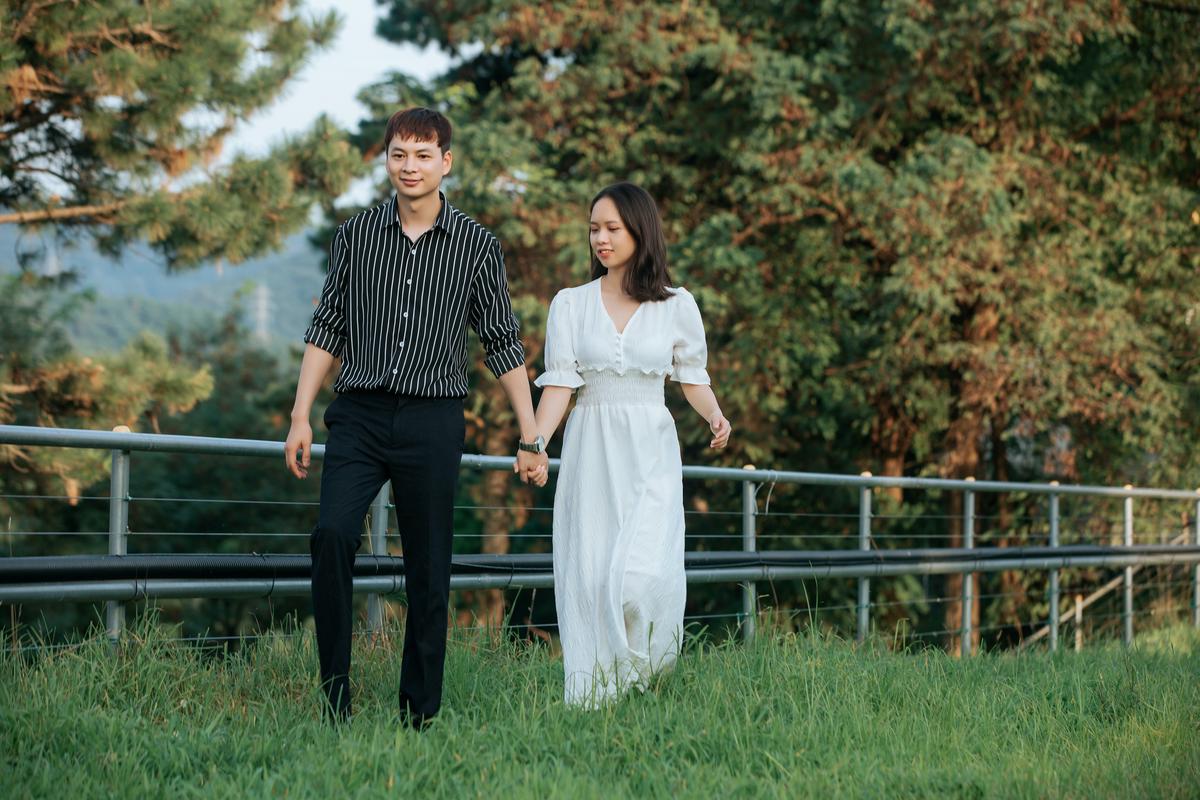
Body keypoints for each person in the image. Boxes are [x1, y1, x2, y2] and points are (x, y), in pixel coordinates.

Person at [283, 107, 548, 726]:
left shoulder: (476, 245)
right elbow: (327, 329)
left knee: (429, 563)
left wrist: (532, 432)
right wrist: (301, 416)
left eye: (423, 155)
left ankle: (418, 713)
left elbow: (502, 342)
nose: (410, 166)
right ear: (387, 159)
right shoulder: (355, 235)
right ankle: (335, 699)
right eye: (400, 154)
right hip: (360, 414)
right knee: (332, 536)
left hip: (433, 417)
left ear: (445, 162)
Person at [528, 182, 732, 707]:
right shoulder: (570, 304)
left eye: (612, 228)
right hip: (591, 450)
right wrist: (536, 441)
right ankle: (598, 695)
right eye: (594, 228)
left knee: (639, 578)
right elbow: (559, 385)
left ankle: (645, 676)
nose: (601, 238)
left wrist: (714, 415)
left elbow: (691, 376)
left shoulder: (676, 305)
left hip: (650, 450)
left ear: (640, 232)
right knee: (594, 574)